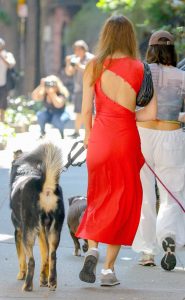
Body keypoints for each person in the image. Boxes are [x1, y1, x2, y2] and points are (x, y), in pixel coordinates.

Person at [75, 15, 157, 286]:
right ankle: (108, 270)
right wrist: (125, 116)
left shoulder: (94, 66)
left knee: (97, 196)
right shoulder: (141, 68)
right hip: (125, 139)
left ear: (106, 35)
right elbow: (150, 113)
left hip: (99, 138)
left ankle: (93, 248)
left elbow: (86, 111)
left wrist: (88, 137)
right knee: (122, 202)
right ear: (130, 37)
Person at [132, 30, 185, 270]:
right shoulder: (181, 76)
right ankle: (169, 239)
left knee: (144, 194)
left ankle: (146, 252)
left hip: (142, 135)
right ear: (172, 51)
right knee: (171, 194)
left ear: (150, 49)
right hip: (171, 135)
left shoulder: (140, 72)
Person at [65, 40, 94, 138]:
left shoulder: (91, 58)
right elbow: (69, 73)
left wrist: (78, 66)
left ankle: (91, 132)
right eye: (75, 49)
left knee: (91, 111)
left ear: (83, 49)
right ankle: (76, 132)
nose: (76, 51)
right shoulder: (74, 59)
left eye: (78, 49)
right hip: (78, 89)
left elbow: (90, 71)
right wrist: (68, 63)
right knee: (78, 111)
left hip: (90, 88)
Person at [0, 38, 16, 122]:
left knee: (3, 103)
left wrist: (2, 57)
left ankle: (2, 120)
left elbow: (11, 65)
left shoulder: (7, 55)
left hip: (4, 82)